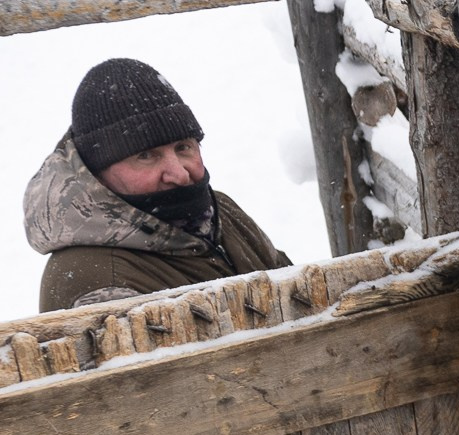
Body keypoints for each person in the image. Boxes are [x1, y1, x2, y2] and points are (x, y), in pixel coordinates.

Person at [26, 59, 289, 313]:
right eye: (146, 156)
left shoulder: (222, 212)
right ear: (96, 174)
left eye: (183, 147)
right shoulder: (97, 280)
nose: (179, 174)